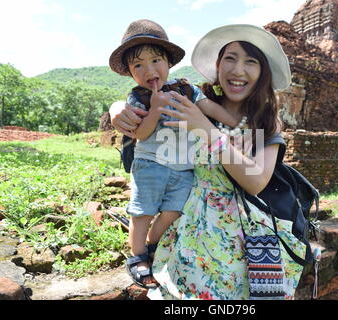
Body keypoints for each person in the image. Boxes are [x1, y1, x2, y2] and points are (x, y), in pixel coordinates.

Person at [111, 24, 308, 300]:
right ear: (218, 65)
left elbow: (255, 180)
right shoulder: (197, 100)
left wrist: (206, 129)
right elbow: (145, 118)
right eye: (230, 59)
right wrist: (117, 108)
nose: (238, 70)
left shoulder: (262, 120)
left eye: (250, 62)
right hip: (188, 227)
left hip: (244, 238)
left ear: (262, 72)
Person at [108, 19, 238, 289]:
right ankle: (137, 257)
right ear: (131, 73)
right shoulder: (137, 98)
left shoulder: (187, 90)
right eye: (138, 65)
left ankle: (153, 246)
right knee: (142, 213)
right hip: (150, 164)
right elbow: (141, 134)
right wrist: (155, 109)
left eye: (156, 60)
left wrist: (240, 122)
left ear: (168, 63)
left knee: (173, 212)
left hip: (184, 169)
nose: (149, 70)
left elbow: (213, 111)